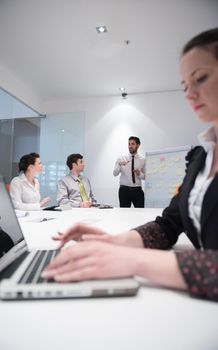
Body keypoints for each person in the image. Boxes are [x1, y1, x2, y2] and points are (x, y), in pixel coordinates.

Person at [42, 28, 218, 302]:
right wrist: (113, 242)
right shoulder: (200, 157)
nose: (189, 95)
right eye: (184, 86)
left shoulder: (154, 158)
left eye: (200, 78)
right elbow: (170, 223)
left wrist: (131, 260)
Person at [113, 136, 145, 207]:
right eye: (129, 144)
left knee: (141, 213)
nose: (130, 146)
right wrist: (119, 164)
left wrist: (139, 174)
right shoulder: (121, 158)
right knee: (124, 214)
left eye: (133, 144)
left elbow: (146, 177)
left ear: (138, 145)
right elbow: (115, 173)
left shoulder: (142, 160)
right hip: (124, 190)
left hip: (137, 190)